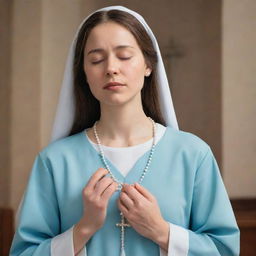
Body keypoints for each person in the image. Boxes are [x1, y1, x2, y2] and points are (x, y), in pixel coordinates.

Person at [10, 5, 240, 256]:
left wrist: (160, 231)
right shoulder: (54, 161)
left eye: (124, 56)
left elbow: (224, 249)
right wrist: (83, 229)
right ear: (83, 73)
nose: (111, 68)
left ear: (149, 65)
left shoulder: (193, 154)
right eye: (96, 59)